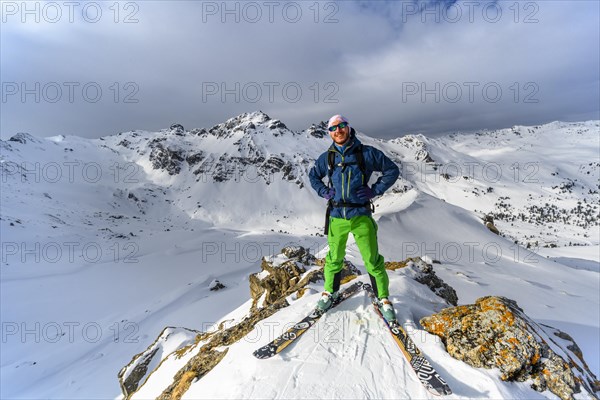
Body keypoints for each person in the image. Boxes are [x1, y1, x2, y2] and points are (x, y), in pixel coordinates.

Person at [309, 115, 400, 322]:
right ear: (329, 132)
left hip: (360, 215)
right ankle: (329, 293)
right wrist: (323, 190)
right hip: (336, 216)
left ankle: (383, 298)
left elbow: (392, 170)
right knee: (333, 259)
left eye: (341, 126)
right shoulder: (327, 157)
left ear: (348, 128)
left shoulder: (366, 153)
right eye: (333, 128)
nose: (338, 131)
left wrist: (375, 190)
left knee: (372, 259)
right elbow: (313, 175)